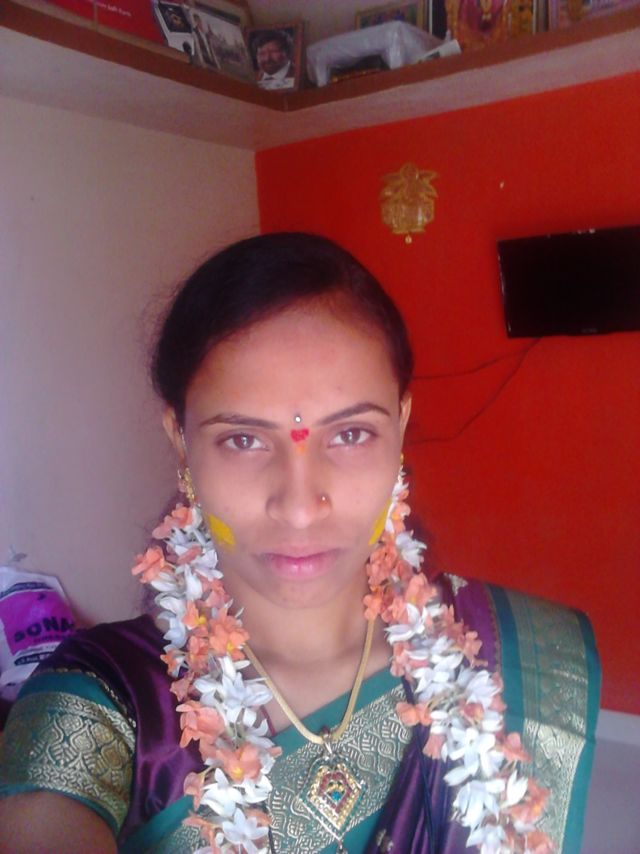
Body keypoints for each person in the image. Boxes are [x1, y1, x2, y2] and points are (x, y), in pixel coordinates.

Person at [0, 233, 598, 853]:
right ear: (181, 441)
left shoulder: (515, 651)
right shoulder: (106, 702)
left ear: (400, 424)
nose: (299, 505)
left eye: (351, 434)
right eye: (243, 440)